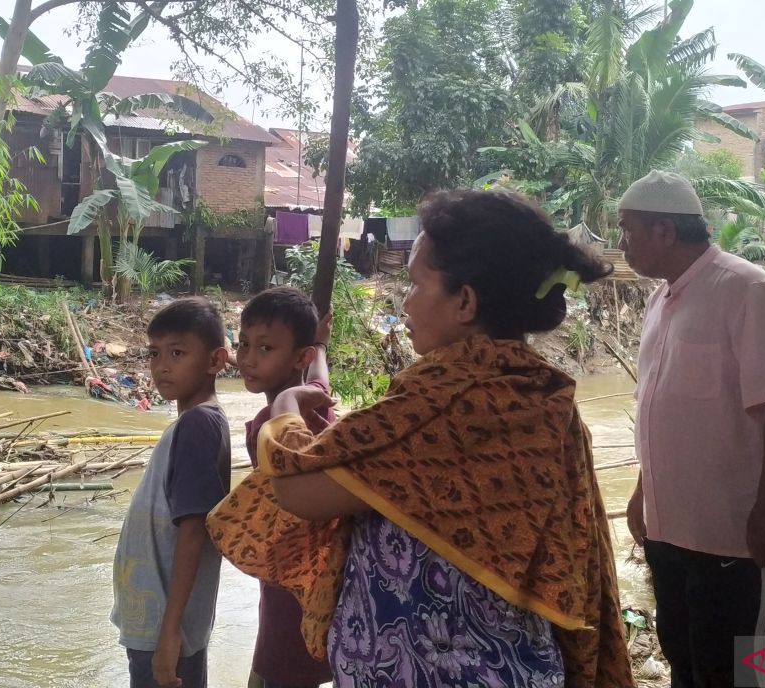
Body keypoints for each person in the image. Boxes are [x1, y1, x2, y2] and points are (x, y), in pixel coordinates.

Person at [208, 189, 634, 687]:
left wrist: (283, 408)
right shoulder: (543, 401)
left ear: (465, 301)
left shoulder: (445, 401)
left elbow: (297, 489)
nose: (405, 302)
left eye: (414, 284)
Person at [616, 170, 765, 688]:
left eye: (627, 230)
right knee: (687, 660)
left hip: (738, 541)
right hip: (672, 534)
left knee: (748, 675)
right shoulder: (662, 300)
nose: (621, 244)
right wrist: (643, 492)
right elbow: (662, 408)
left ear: (663, 230)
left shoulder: (748, 291)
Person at [111, 297, 231, 688]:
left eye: (178, 353)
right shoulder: (192, 423)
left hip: (165, 629)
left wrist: (169, 633)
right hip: (160, 626)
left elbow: (194, 530)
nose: (162, 365)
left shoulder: (198, 425)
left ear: (215, 361)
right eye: (154, 353)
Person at [237, 286, 335, 688]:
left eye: (264, 349)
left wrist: (312, 363)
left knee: (276, 673)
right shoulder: (318, 413)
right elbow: (321, 386)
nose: (247, 359)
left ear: (299, 356)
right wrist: (321, 352)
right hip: (318, 583)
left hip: (287, 590)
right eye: (243, 344)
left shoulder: (271, 430)